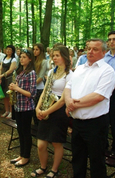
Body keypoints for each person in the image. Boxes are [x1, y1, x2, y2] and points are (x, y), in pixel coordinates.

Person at [64, 39, 115, 178]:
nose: (90, 51)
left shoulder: (107, 71)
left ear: (104, 52)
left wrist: (72, 104)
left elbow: (98, 96)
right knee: (77, 157)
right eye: (89, 48)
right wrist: (68, 100)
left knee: (96, 160)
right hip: (77, 122)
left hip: (95, 123)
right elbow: (68, 87)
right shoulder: (80, 67)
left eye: (95, 49)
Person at [31, 45, 73, 178]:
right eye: (53, 55)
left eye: (57, 55)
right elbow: (44, 91)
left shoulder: (70, 75)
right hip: (46, 106)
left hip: (59, 111)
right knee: (41, 144)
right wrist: (38, 108)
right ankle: (43, 167)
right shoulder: (51, 72)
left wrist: (47, 111)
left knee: (56, 142)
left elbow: (62, 101)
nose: (54, 58)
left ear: (64, 57)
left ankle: (54, 170)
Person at [8, 48, 36, 167]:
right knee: (20, 131)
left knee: (26, 132)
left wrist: (17, 89)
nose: (21, 59)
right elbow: (17, 87)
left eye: (24, 57)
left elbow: (32, 93)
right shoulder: (19, 72)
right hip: (18, 106)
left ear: (30, 59)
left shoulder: (31, 73)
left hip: (27, 107)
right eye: (21, 57)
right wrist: (12, 87)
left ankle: (26, 157)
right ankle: (21, 154)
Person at [0, 45, 17, 118]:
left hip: (9, 78)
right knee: (4, 96)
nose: (8, 51)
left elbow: (11, 70)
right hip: (3, 78)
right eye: (7, 49)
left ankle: (11, 112)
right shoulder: (4, 58)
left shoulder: (13, 60)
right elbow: (0, 68)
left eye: (10, 49)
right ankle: (6, 110)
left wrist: (2, 75)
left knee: (9, 95)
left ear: (12, 51)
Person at [32, 43, 47, 126]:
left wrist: (32, 85)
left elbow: (41, 77)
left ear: (41, 51)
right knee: (32, 109)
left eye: (37, 49)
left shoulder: (44, 61)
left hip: (39, 88)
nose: (34, 51)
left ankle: (39, 127)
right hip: (31, 88)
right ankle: (35, 126)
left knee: (37, 109)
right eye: (34, 49)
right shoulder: (32, 60)